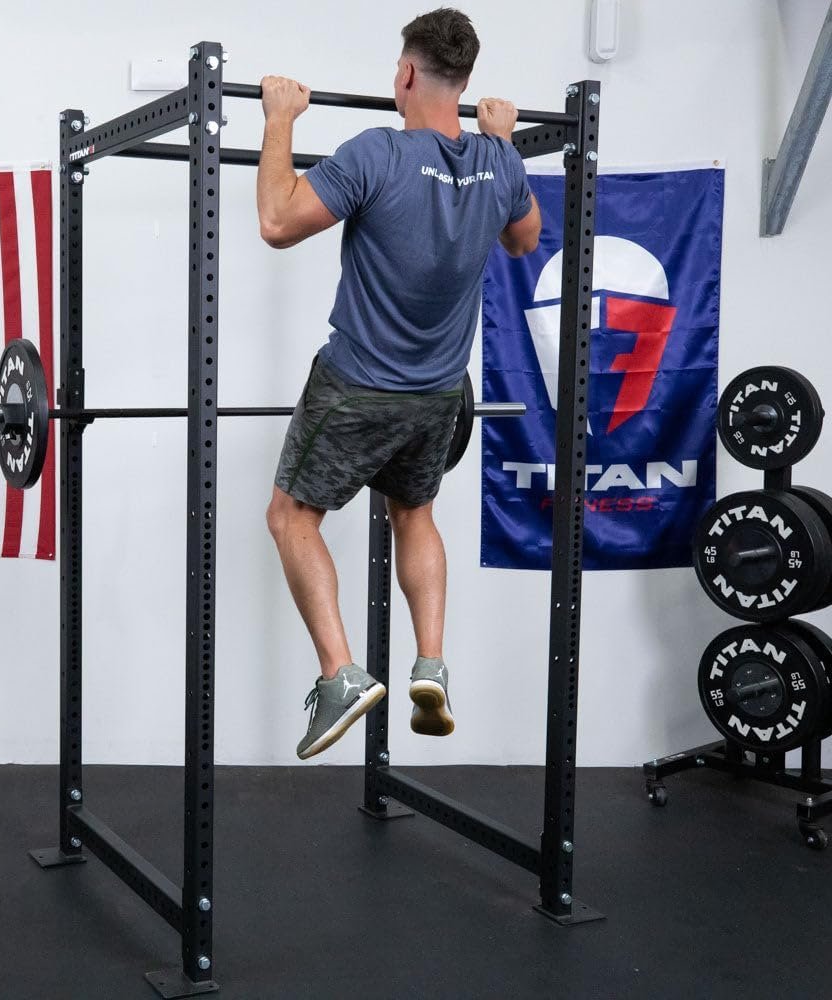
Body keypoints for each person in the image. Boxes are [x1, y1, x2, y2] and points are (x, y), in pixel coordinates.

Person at [257, 8, 542, 760]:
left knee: (291, 518)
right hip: (440, 395)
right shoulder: (498, 161)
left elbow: (277, 223)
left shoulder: (376, 153)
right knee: (412, 515)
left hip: (357, 387)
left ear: (407, 73)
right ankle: (430, 664)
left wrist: (280, 119)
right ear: (466, 84)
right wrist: (504, 143)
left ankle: (340, 675)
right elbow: (525, 239)